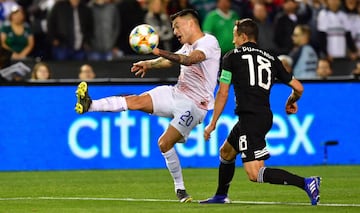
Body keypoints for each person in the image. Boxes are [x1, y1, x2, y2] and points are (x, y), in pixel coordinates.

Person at [74, 9, 221, 202]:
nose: (175, 31)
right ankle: (89, 105)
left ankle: (180, 188)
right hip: (177, 93)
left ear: (190, 24)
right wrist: (148, 63)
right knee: (136, 101)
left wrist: (157, 49)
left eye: (176, 26)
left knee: (164, 143)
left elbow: (189, 59)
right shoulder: (187, 45)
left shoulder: (208, 43)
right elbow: (169, 61)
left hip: (195, 106)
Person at [199, 18, 321, 205]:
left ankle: (306, 182)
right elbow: (299, 88)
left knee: (255, 173)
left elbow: (223, 93)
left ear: (244, 36)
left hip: (251, 119)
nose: (233, 41)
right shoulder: (272, 58)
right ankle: (221, 196)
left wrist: (213, 123)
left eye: (235, 36)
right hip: (261, 115)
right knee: (226, 152)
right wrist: (291, 101)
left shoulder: (231, 56)